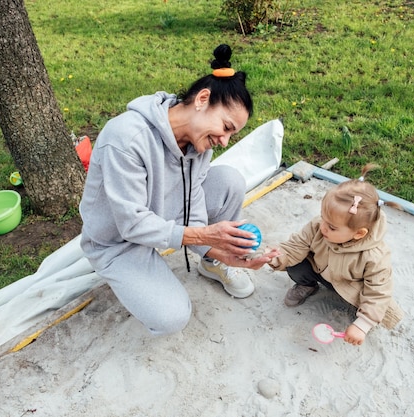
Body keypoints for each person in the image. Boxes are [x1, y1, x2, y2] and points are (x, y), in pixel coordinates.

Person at [79, 44, 280, 336]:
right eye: (225, 127)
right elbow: (132, 224)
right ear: (202, 99)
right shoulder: (126, 137)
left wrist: (223, 254)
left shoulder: (199, 146)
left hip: (164, 216)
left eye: (231, 135)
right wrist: (204, 235)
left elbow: (194, 211)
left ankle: (210, 266)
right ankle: (128, 275)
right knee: (171, 317)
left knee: (229, 181)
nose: (224, 141)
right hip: (118, 241)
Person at [267, 164, 404, 345]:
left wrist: (362, 325)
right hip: (320, 269)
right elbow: (297, 245)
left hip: (349, 287)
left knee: (368, 311)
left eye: (332, 227)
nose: (323, 226)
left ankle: (360, 317)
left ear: (359, 234)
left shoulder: (375, 256)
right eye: (323, 218)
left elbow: (378, 293)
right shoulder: (319, 226)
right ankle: (307, 285)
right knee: (295, 264)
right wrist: (278, 257)